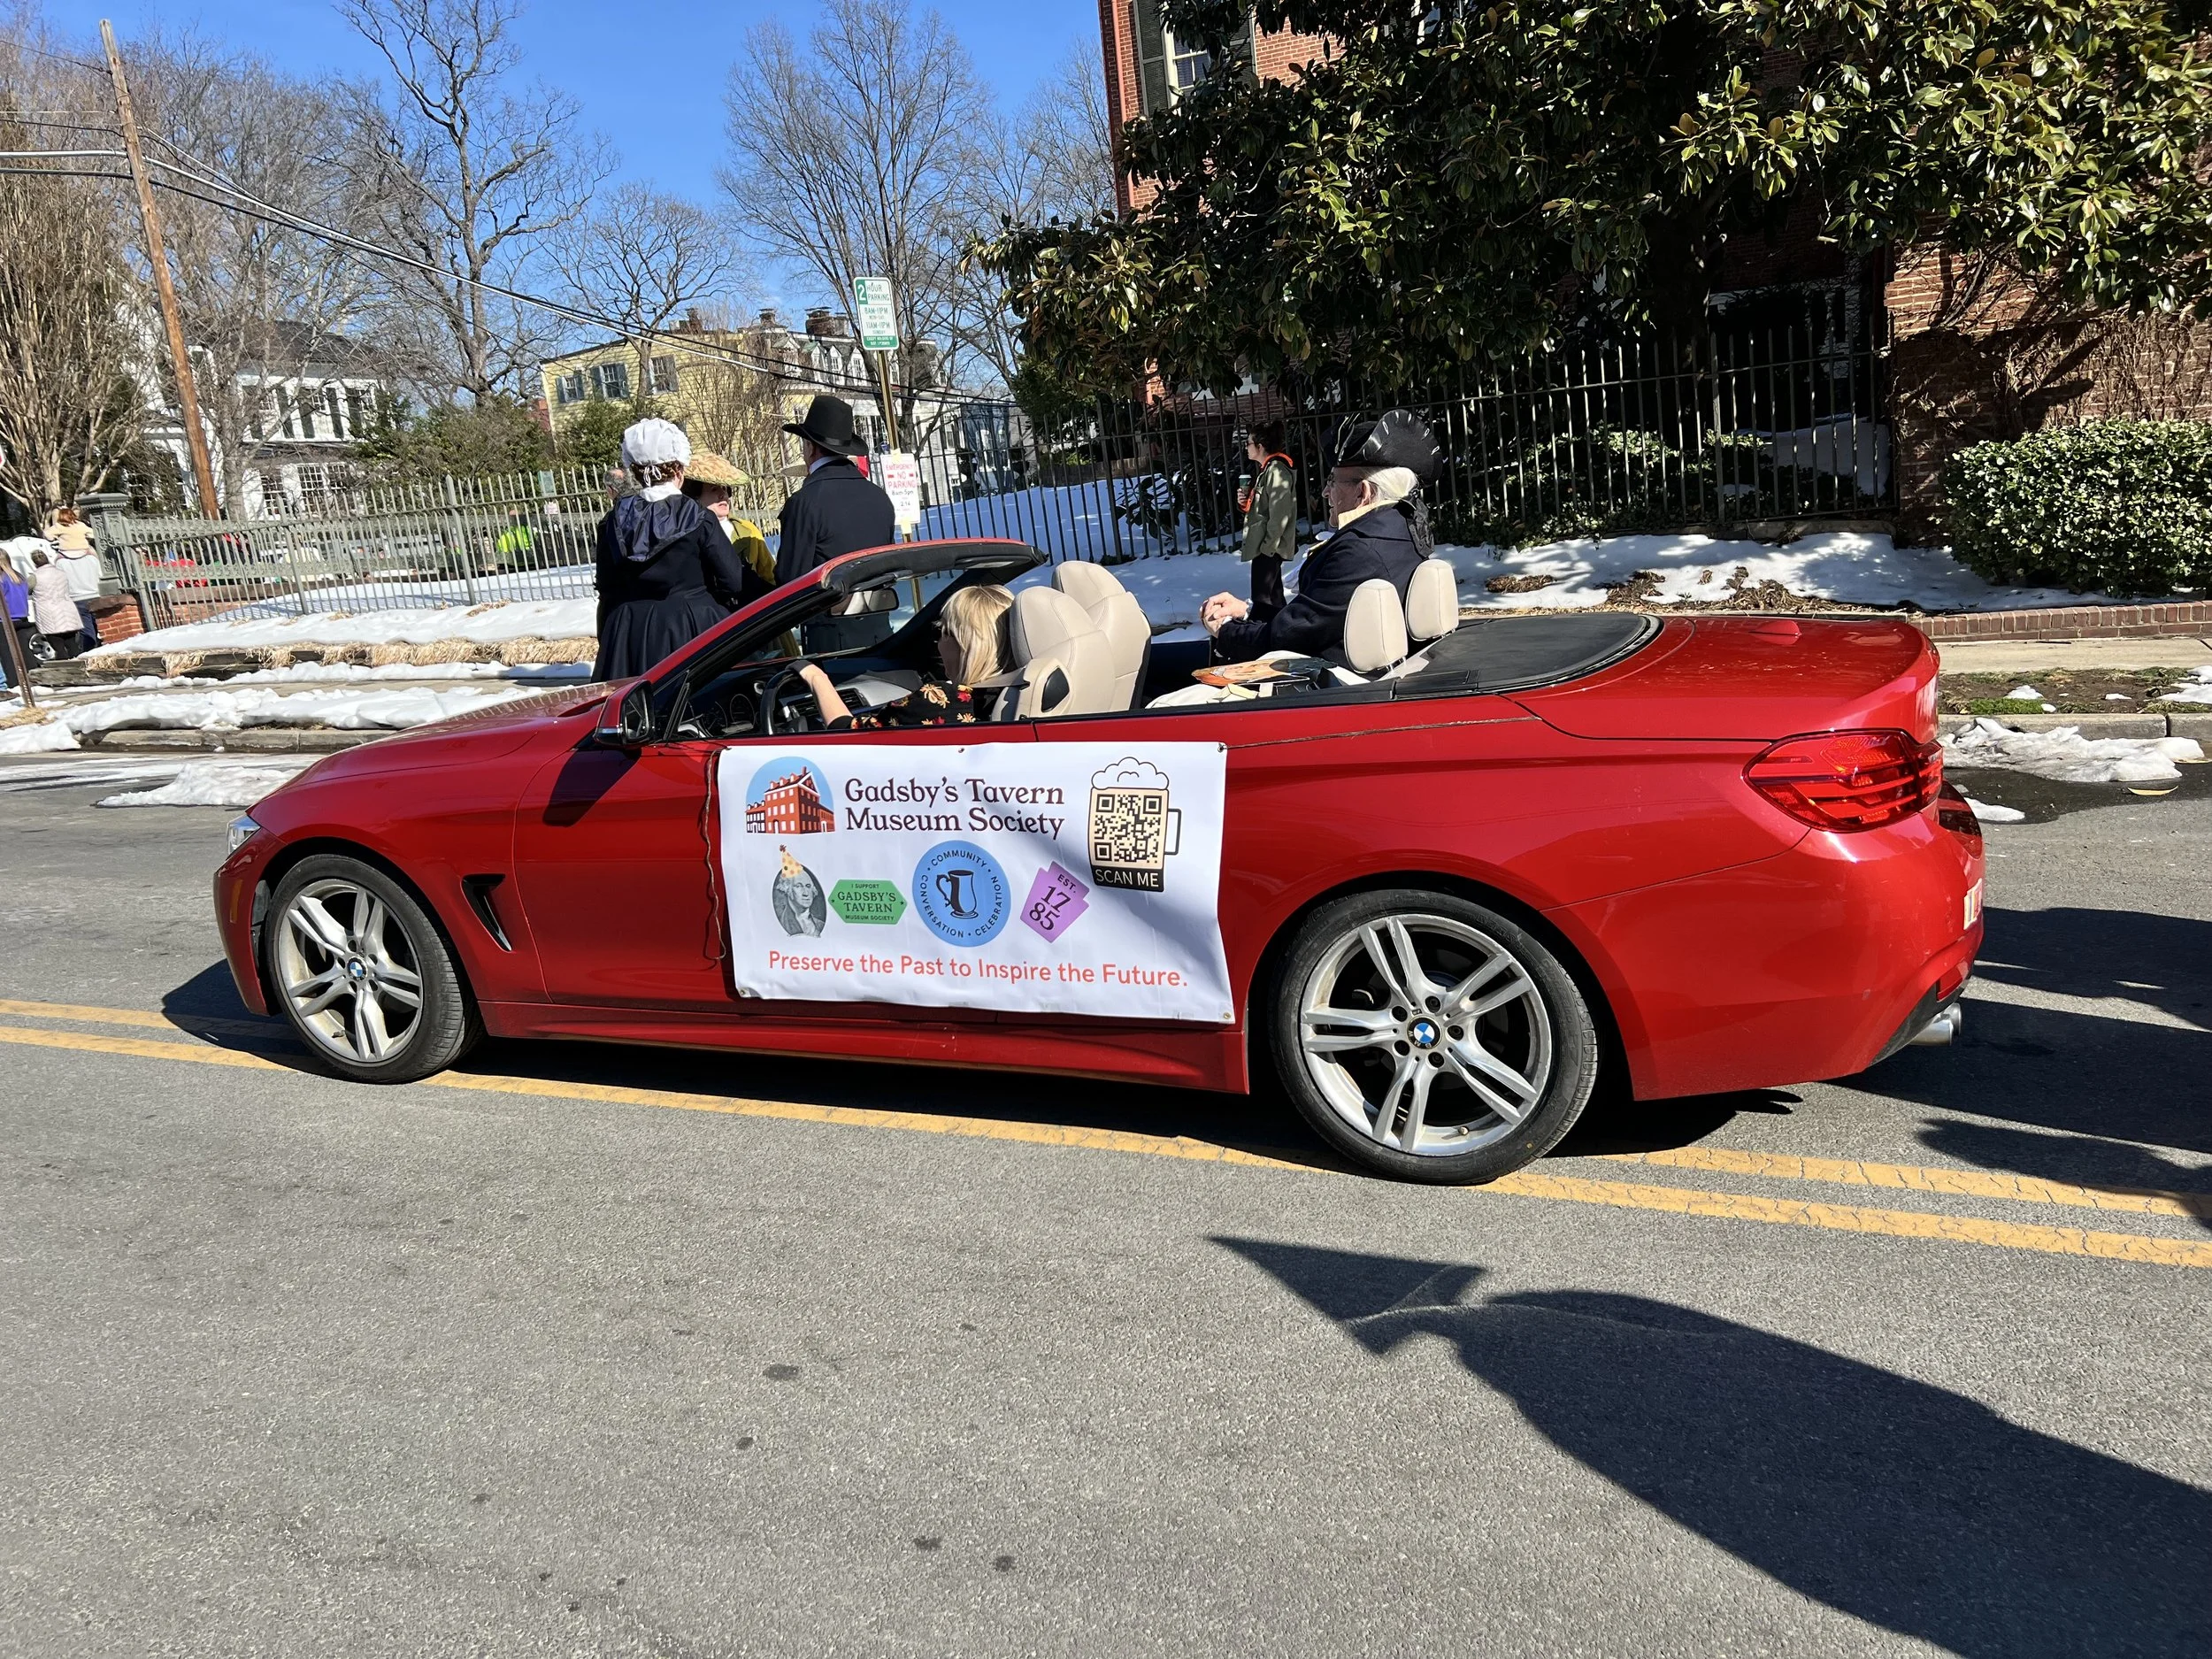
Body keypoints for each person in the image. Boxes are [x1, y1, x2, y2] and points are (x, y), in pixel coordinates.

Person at [1202, 409, 1440, 669]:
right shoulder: (1396, 529)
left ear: (1363, 492)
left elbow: (1289, 637)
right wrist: (1247, 611)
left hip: (1322, 684)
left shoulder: (1360, 551)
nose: (1326, 492)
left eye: (1333, 482)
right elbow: (1312, 619)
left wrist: (1225, 631)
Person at [591, 418, 769, 682]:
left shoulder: (612, 520)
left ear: (637, 471)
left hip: (630, 632)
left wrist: (610, 639)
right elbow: (733, 581)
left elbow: (606, 587)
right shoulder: (699, 517)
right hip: (692, 626)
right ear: (678, 470)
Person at [795, 583, 1013, 730]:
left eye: (943, 633)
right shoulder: (1028, 693)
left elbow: (848, 732)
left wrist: (816, 677)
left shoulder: (939, 700)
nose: (938, 644)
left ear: (966, 644)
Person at [774, 396, 895, 587]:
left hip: (825, 613)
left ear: (810, 447)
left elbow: (790, 580)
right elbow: (888, 569)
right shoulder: (879, 497)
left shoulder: (804, 502)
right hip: (877, 611)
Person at [1238, 420, 1296, 614]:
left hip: (1269, 547)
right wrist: (1245, 501)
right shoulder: (1267, 471)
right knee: (1273, 599)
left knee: (1263, 601)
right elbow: (1263, 509)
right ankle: (1282, 634)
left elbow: (1280, 513)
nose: (1246, 448)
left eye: (1248, 443)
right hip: (1266, 546)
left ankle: (1259, 637)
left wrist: (1268, 547)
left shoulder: (1277, 471)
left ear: (1260, 446)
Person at [48, 509, 102, 653]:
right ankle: (102, 649)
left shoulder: (60, 562)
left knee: (87, 630)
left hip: (77, 598)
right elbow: (100, 575)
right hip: (95, 594)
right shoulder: (92, 557)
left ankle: (89, 654)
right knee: (100, 627)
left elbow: (47, 534)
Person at [29, 546, 83, 661]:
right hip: (67, 609)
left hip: (48, 613)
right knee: (72, 644)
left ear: (34, 563)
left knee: (58, 647)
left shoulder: (34, 577)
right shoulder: (61, 573)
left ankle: (65, 669)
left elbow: (26, 590)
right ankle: (80, 665)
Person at [1, 555, 31, 687]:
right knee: (24, 650)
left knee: (6, 653)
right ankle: (32, 676)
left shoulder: (2, 579)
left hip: (5, 619)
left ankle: (13, 682)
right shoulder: (19, 577)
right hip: (22, 616)